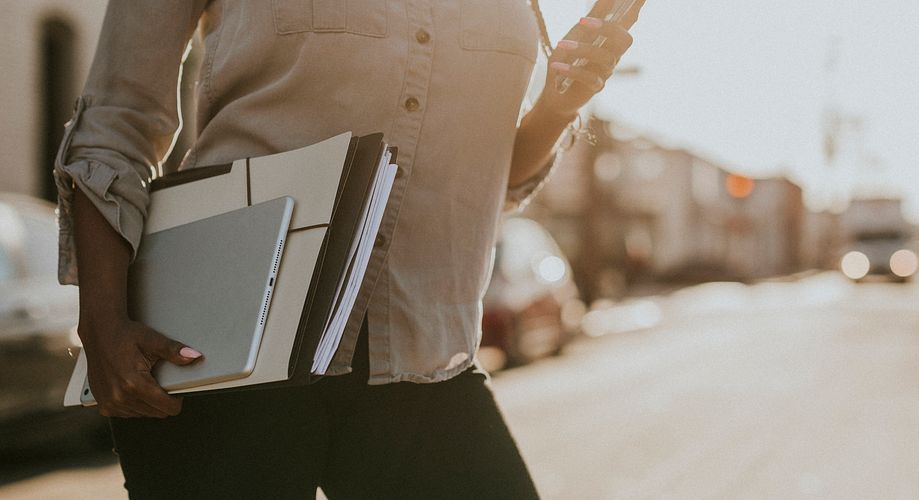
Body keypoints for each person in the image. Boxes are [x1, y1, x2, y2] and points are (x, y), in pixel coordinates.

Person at [54, 0, 642, 498]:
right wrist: (101, 321)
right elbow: (117, 120)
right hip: (224, 353)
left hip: (423, 356)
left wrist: (557, 108)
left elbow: (496, 180)